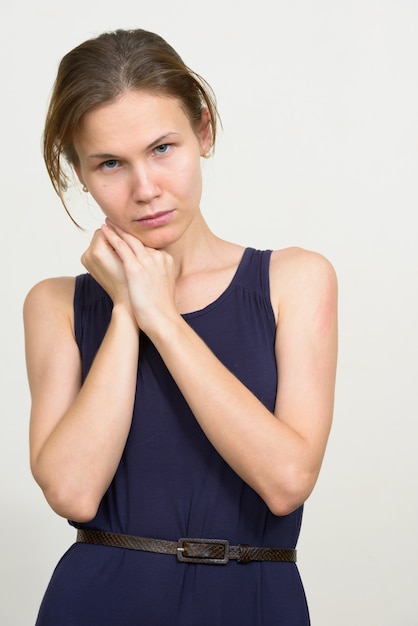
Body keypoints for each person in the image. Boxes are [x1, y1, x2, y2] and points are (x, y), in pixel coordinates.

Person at [23, 28, 338, 626]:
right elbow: (72, 492)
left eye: (163, 148)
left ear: (204, 131)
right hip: (99, 601)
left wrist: (162, 317)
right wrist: (124, 309)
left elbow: (286, 481)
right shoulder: (55, 305)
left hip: (253, 603)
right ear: (81, 173)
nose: (145, 189)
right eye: (110, 163)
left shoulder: (295, 280)